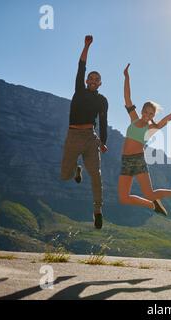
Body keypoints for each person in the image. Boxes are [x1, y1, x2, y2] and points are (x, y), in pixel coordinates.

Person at [119, 63, 171, 216]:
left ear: (153, 116)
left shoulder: (151, 129)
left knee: (150, 193)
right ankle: (152, 205)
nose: (148, 115)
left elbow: (170, 116)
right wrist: (126, 77)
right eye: (146, 112)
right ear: (142, 111)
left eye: (151, 114)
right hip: (125, 160)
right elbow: (127, 97)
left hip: (137, 160)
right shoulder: (133, 119)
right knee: (124, 198)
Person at [60, 35, 108, 229]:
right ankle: (76, 169)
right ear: (87, 80)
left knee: (96, 173)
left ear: (100, 83)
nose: (93, 80)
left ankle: (97, 210)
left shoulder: (102, 100)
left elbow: (103, 121)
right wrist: (86, 46)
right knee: (65, 175)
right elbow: (81, 65)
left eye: (97, 79)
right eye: (91, 78)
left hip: (90, 138)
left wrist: (103, 141)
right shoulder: (79, 89)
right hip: (73, 136)